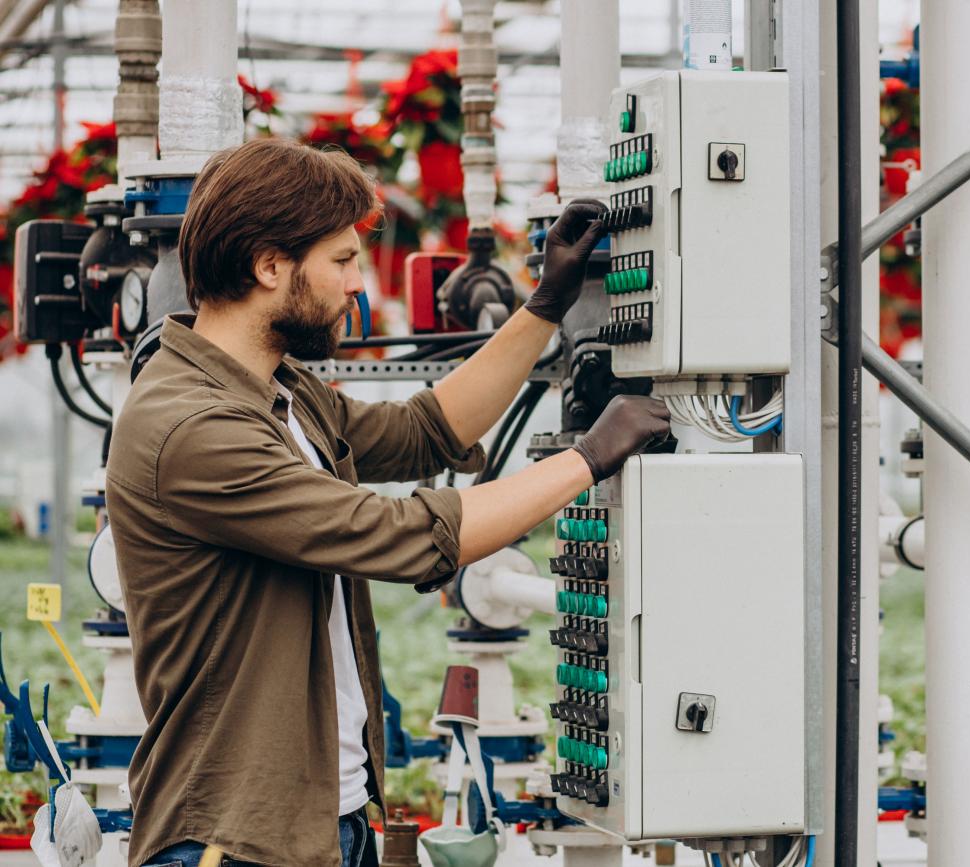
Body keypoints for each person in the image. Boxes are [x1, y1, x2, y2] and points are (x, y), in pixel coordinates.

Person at [104, 137, 669, 867]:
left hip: (323, 819)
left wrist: (546, 303)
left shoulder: (277, 388)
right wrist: (587, 458)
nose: (356, 284)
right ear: (269, 264)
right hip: (232, 839)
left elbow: (424, 429)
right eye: (340, 260)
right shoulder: (191, 427)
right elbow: (397, 534)